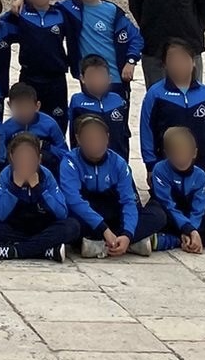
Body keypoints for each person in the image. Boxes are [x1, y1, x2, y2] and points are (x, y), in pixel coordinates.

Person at [60, 111, 160, 259]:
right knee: (69, 226)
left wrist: (127, 234)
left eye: (98, 138)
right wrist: (103, 229)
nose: (95, 143)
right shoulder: (70, 162)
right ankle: (126, 242)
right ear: (78, 140)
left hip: (113, 214)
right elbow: (74, 200)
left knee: (158, 214)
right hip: (88, 218)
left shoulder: (118, 163)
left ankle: (113, 243)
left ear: (107, 138)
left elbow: (128, 201)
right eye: (89, 139)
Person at [138, 38, 205, 186]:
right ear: (165, 64)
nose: (179, 65)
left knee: (200, 208)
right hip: (166, 166)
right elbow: (146, 131)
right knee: (163, 208)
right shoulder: (155, 95)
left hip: (202, 165)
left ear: (193, 62)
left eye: (183, 59)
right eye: (173, 60)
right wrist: (150, 166)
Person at [0, 131, 80, 263]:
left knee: (72, 226)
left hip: (42, 226)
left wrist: (39, 189)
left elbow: (61, 213)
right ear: (12, 157)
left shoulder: (46, 175)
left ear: (38, 159)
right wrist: (14, 187)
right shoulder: (6, 174)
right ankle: (44, 251)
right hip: (15, 227)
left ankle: (13, 251)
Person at [57, 0, 141, 96]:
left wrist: (131, 61)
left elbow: (136, 37)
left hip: (115, 77)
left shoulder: (113, 12)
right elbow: (43, 5)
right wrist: (22, 0)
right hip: (88, 80)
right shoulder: (69, 8)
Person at [149, 124, 205, 252]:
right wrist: (187, 229)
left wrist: (192, 229)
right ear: (167, 154)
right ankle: (202, 240)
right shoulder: (160, 170)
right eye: (176, 154)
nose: (181, 158)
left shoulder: (200, 176)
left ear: (194, 153)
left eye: (184, 153)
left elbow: (199, 208)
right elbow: (166, 203)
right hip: (170, 213)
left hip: (191, 217)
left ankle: (174, 240)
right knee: (156, 216)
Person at [7, 0, 72, 122]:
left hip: (55, 79)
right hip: (30, 78)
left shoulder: (62, 14)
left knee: (58, 123)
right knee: (26, 122)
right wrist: (21, 0)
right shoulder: (20, 13)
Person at [0, 81, 69, 176]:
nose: (23, 112)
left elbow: (65, 154)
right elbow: (0, 157)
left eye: (27, 107)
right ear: (10, 105)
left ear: (37, 106)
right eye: (18, 108)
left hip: (47, 173)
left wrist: (47, 147)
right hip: (15, 174)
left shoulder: (50, 125)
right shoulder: (6, 129)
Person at [68, 55, 131, 157]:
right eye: (92, 76)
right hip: (87, 160)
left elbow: (124, 134)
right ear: (82, 79)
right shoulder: (77, 102)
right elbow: (73, 135)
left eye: (101, 76)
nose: (97, 81)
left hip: (116, 159)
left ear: (109, 79)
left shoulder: (118, 100)